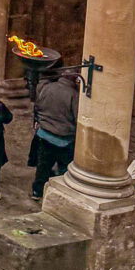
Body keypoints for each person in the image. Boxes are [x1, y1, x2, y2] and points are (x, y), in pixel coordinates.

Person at [30, 63, 78, 198]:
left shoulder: (47, 88)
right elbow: (77, 116)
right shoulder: (73, 95)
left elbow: (38, 106)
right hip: (64, 138)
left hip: (44, 134)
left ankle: (37, 191)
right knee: (64, 168)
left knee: (43, 166)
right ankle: (58, 194)